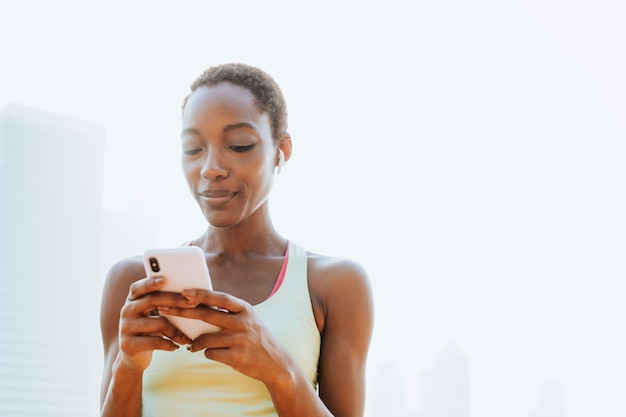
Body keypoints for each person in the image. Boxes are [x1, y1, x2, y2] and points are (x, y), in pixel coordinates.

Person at [99, 63, 374, 417]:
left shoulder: (335, 283)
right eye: (193, 148)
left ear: (282, 150)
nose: (211, 167)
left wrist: (279, 369)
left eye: (239, 145)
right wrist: (128, 368)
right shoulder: (132, 281)